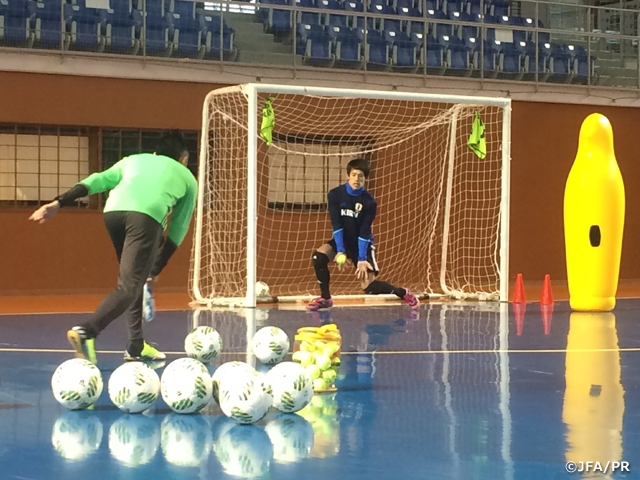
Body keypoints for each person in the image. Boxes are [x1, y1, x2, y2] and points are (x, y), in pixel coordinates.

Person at [29, 130, 198, 364]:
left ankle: (136, 345)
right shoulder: (188, 177)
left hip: (113, 213)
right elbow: (179, 228)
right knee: (130, 285)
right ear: (183, 159)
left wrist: (60, 201)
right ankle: (86, 331)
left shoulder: (134, 160)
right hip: (146, 218)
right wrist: (157, 268)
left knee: (132, 282)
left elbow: (98, 180)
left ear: (155, 152)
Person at [307, 158, 420, 311]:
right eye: (354, 175)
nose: (356, 179)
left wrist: (361, 259)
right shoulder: (335, 195)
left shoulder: (369, 202)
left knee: (369, 288)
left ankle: (402, 293)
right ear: (348, 176)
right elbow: (337, 225)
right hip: (343, 240)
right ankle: (325, 298)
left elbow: (364, 231)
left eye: (360, 176)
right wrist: (340, 250)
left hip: (362, 243)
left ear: (365, 178)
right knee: (318, 257)